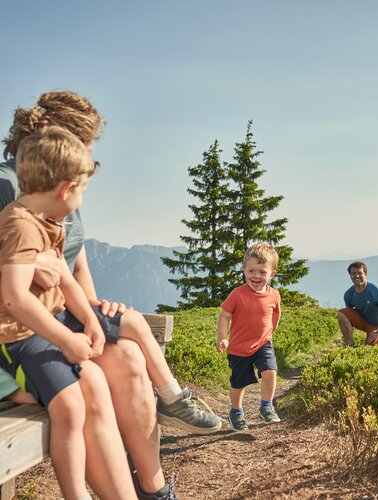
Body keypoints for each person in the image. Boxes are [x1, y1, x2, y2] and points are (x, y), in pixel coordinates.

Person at [0, 91, 220, 499]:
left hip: (58, 318)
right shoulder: (11, 188)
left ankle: (153, 491)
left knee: (131, 356)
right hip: (22, 334)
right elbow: (17, 283)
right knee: (92, 382)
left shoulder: (58, 191)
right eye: (88, 144)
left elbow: (74, 263)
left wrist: (92, 310)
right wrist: (34, 269)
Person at [0, 127, 138, 500]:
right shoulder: (19, 225)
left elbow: (66, 280)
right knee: (70, 407)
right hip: (19, 343)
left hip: (43, 335)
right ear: (66, 188)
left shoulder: (50, 222)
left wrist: (91, 321)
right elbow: (14, 299)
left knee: (80, 397)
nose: (81, 199)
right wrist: (67, 339)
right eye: (83, 190)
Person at [217, 243, 282, 431]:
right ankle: (236, 412)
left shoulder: (274, 295)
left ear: (272, 274)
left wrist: (271, 330)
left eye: (262, 272)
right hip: (238, 347)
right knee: (239, 383)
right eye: (251, 270)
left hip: (263, 343)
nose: (256, 276)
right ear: (244, 270)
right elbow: (224, 316)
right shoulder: (237, 294)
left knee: (270, 372)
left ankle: (266, 406)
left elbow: (276, 314)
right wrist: (222, 337)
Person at [338, 261, 378, 347]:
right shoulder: (348, 294)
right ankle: (349, 345)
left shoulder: (377, 291)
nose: (357, 276)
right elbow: (350, 315)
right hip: (363, 321)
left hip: (377, 326)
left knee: (371, 350)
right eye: (353, 273)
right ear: (350, 276)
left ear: (365, 274)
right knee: (342, 314)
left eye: (360, 273)